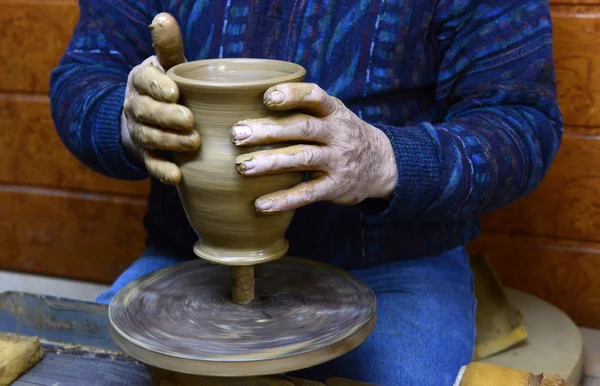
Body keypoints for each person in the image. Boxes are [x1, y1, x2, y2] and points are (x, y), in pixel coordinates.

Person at [49, 1, 563, 384]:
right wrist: (125, 119)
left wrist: (383, 160)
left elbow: (522, 123)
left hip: (395, 261)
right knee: (75, 372)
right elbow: (82, 77)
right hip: (188, 258)